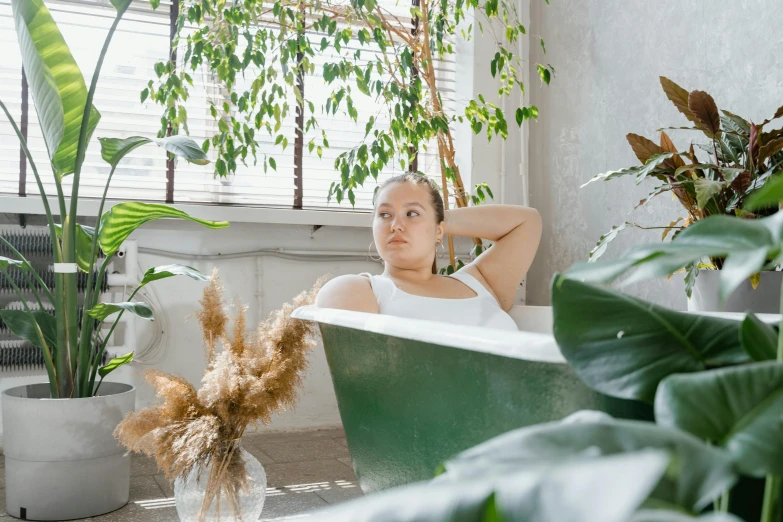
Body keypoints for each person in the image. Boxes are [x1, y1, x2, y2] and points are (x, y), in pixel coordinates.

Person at [315, 173, 542, 331]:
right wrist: (427, 219)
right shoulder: (359, 289)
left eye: (411, 214)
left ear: (439, 230)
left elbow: (527, 221)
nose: (395, 225)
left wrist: (439, 219)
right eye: (384, 214)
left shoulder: (481, 283)